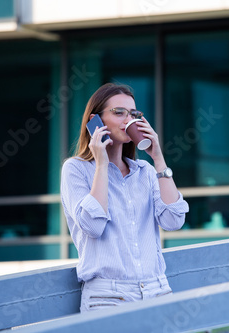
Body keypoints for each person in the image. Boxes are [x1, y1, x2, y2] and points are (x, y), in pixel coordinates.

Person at [60, 83, 189, 313]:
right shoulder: (76, 170)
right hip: (108, 297)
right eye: (118, 112)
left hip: (157, 290)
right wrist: (101, 163)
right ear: (94, 121)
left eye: (133, 114)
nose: (128, 120)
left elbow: (174, 221)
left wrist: (158, 158)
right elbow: (93, 225)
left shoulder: (146, 172)